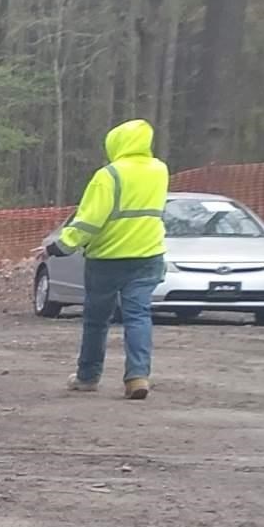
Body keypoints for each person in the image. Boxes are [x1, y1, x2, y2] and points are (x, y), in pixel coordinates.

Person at [57, 118, 168, 399]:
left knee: (97, 320)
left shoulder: (109, 175)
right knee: (138, 316)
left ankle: (88, 376)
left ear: (117, 144)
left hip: (108, 258)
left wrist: (60, 245)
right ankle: (138, 376)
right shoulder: (159, 170)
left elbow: (90, 220)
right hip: (148, 255)